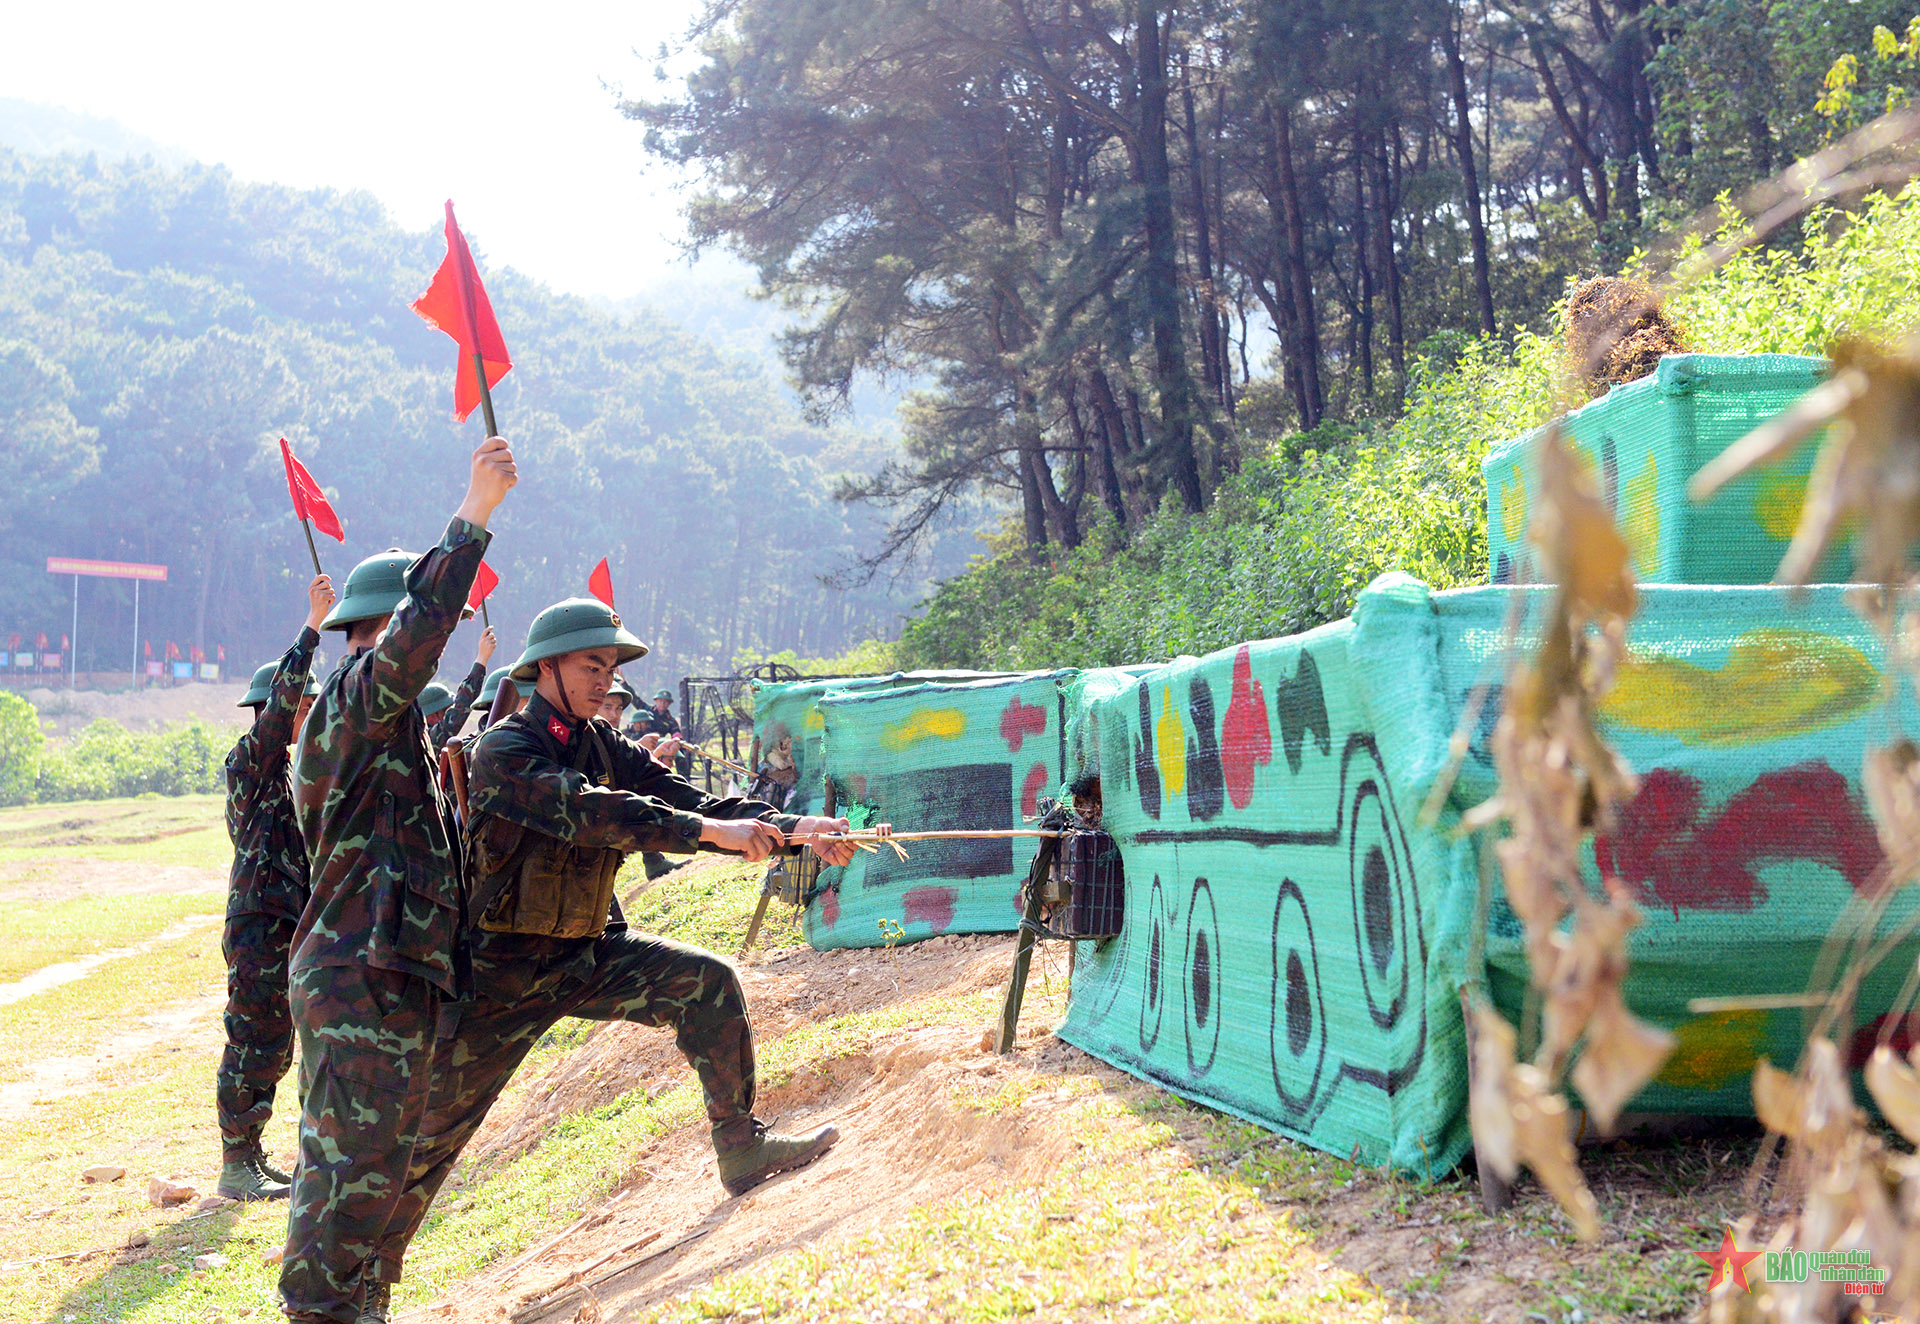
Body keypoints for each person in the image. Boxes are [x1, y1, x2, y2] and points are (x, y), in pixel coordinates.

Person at [375, 599, 871, 1279]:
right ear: (545, 667)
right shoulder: (506, 750)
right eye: (590, 664)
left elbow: (690, 800)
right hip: (499, 975)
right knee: (425, 1138)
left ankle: (740, 1149)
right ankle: (361, 1283)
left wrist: (792, 828)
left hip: (586, 954)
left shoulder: (602, 743)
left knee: (707, 986)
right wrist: (709, 836)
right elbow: (591, 812)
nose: (604, 680)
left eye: (609, 666)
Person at [281, 436, 516, 1324]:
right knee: (346, 1174)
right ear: (378, 632)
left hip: (391, 976)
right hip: (358, 977)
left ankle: (356, 1305)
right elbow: (410, 645)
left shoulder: (395, 733)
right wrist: (474, 516)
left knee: (376, 1169)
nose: (448, 643)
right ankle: (320, 1312)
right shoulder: (353, 705)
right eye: (438, 630)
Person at [216, 573, 333, 1202]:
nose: (307, 715)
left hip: (295, 919)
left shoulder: (303, 772)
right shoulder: (252, 762)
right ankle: (237, 1161)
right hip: (260, 921)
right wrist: (313, 628)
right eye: (300, 706)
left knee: (282, 1040)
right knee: (254, 1035)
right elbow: (284, 706)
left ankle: (254, 1156)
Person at [428, 625, 497, 748]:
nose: (449, 714)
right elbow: (461, 709)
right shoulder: (429, 739)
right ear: (432, 717)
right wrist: (482, 658)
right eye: (446, 711)